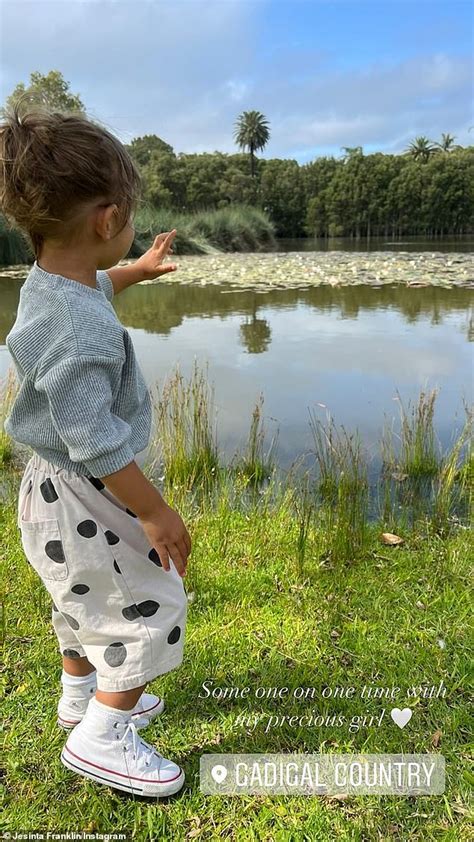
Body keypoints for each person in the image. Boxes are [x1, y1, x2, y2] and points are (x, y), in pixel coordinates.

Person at [0, 101, 192, 798]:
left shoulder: (49, 283)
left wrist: (135, 273)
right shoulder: (80, 330)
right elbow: (98, 440)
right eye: (130, 220)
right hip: (88, 486)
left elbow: (94, 286)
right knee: (144, 602)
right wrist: (154, 512)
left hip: (48, 485)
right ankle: (102, 739)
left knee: (81, 597)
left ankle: (82, 695)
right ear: (106, 219)